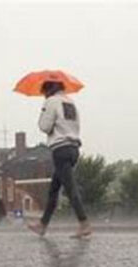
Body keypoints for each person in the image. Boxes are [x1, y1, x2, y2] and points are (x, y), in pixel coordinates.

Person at [27, 81, 91, 238]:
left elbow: (45, 126)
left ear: (48, 90)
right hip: (73, 149)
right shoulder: (71, 103)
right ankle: (43, 225)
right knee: (54, 190)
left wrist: (44, 110)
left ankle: (84, 224)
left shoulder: (51, 101)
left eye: (44, 93)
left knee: (70, 189)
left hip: (60, 149)